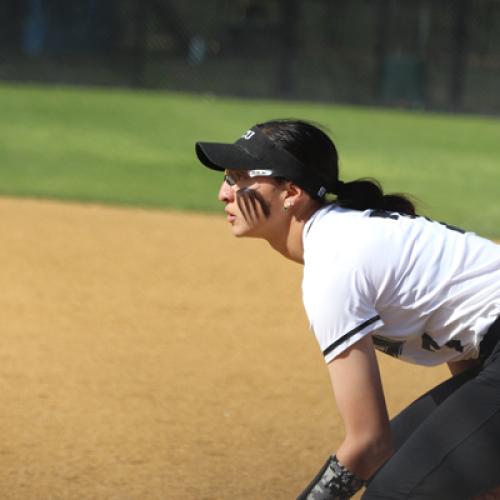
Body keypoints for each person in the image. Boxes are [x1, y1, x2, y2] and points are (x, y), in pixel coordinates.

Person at [195, 119, 500, 499]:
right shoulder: (346, 234)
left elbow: (369, 442)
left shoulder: (333, 262)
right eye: (227, 176)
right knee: (405, 470)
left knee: (394, 492)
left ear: (291, 192)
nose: (225, 193)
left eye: (241, 177)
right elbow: (467, 333)